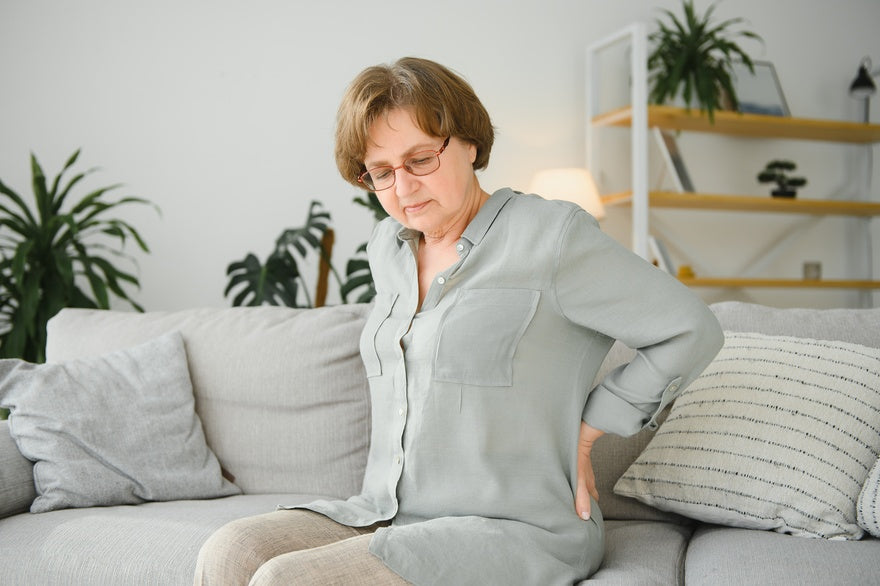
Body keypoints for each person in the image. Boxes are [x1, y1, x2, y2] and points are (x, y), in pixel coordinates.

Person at [194, 56, 723, 585]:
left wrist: (589, 431)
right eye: (381, 173)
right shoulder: (388, 247)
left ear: (469, 143)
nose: (402, 189)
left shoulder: (550, 236)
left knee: (285, 581)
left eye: (420, 159)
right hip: (389, 514)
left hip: (514, 528)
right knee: (229, 551)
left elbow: (688, 328)